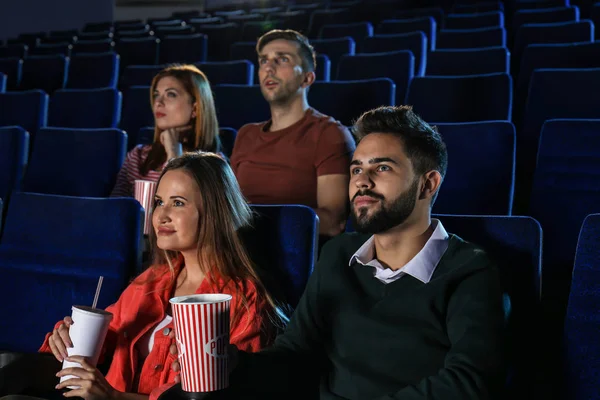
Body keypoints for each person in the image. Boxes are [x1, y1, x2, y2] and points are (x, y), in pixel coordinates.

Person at [160, 106, 507, 400]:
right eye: (357, 168)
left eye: (382, 168)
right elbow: (294, 355)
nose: (362, 181)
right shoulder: (339, 254)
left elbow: (468, 382)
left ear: (428, 184)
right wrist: (230, 363)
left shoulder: (470, 270)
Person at [34, 152, 283, 400]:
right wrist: (66, 339)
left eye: (177, 203)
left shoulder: (244, 301)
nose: (161, 216)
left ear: (214, 213)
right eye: (159, 202)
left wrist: (112, 397)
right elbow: (104, 340)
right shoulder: (152, 280)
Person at [230, 29, 356, 238]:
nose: (269, 68)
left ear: (307, 78)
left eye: (282, 60)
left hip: (288, 255)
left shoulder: (329, 134)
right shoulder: (246, 134)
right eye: (263, 61)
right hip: (235, 247)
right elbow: (229, 202)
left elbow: (333, 222)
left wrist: (250, 218)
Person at [111, 65, 220, 198]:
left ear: (195, 108)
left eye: (171, 94)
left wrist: (173, 155)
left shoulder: (214, 164)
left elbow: (178, 205)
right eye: (156, 95)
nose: (158, 102)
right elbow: (115, 208)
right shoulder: (138, 156)